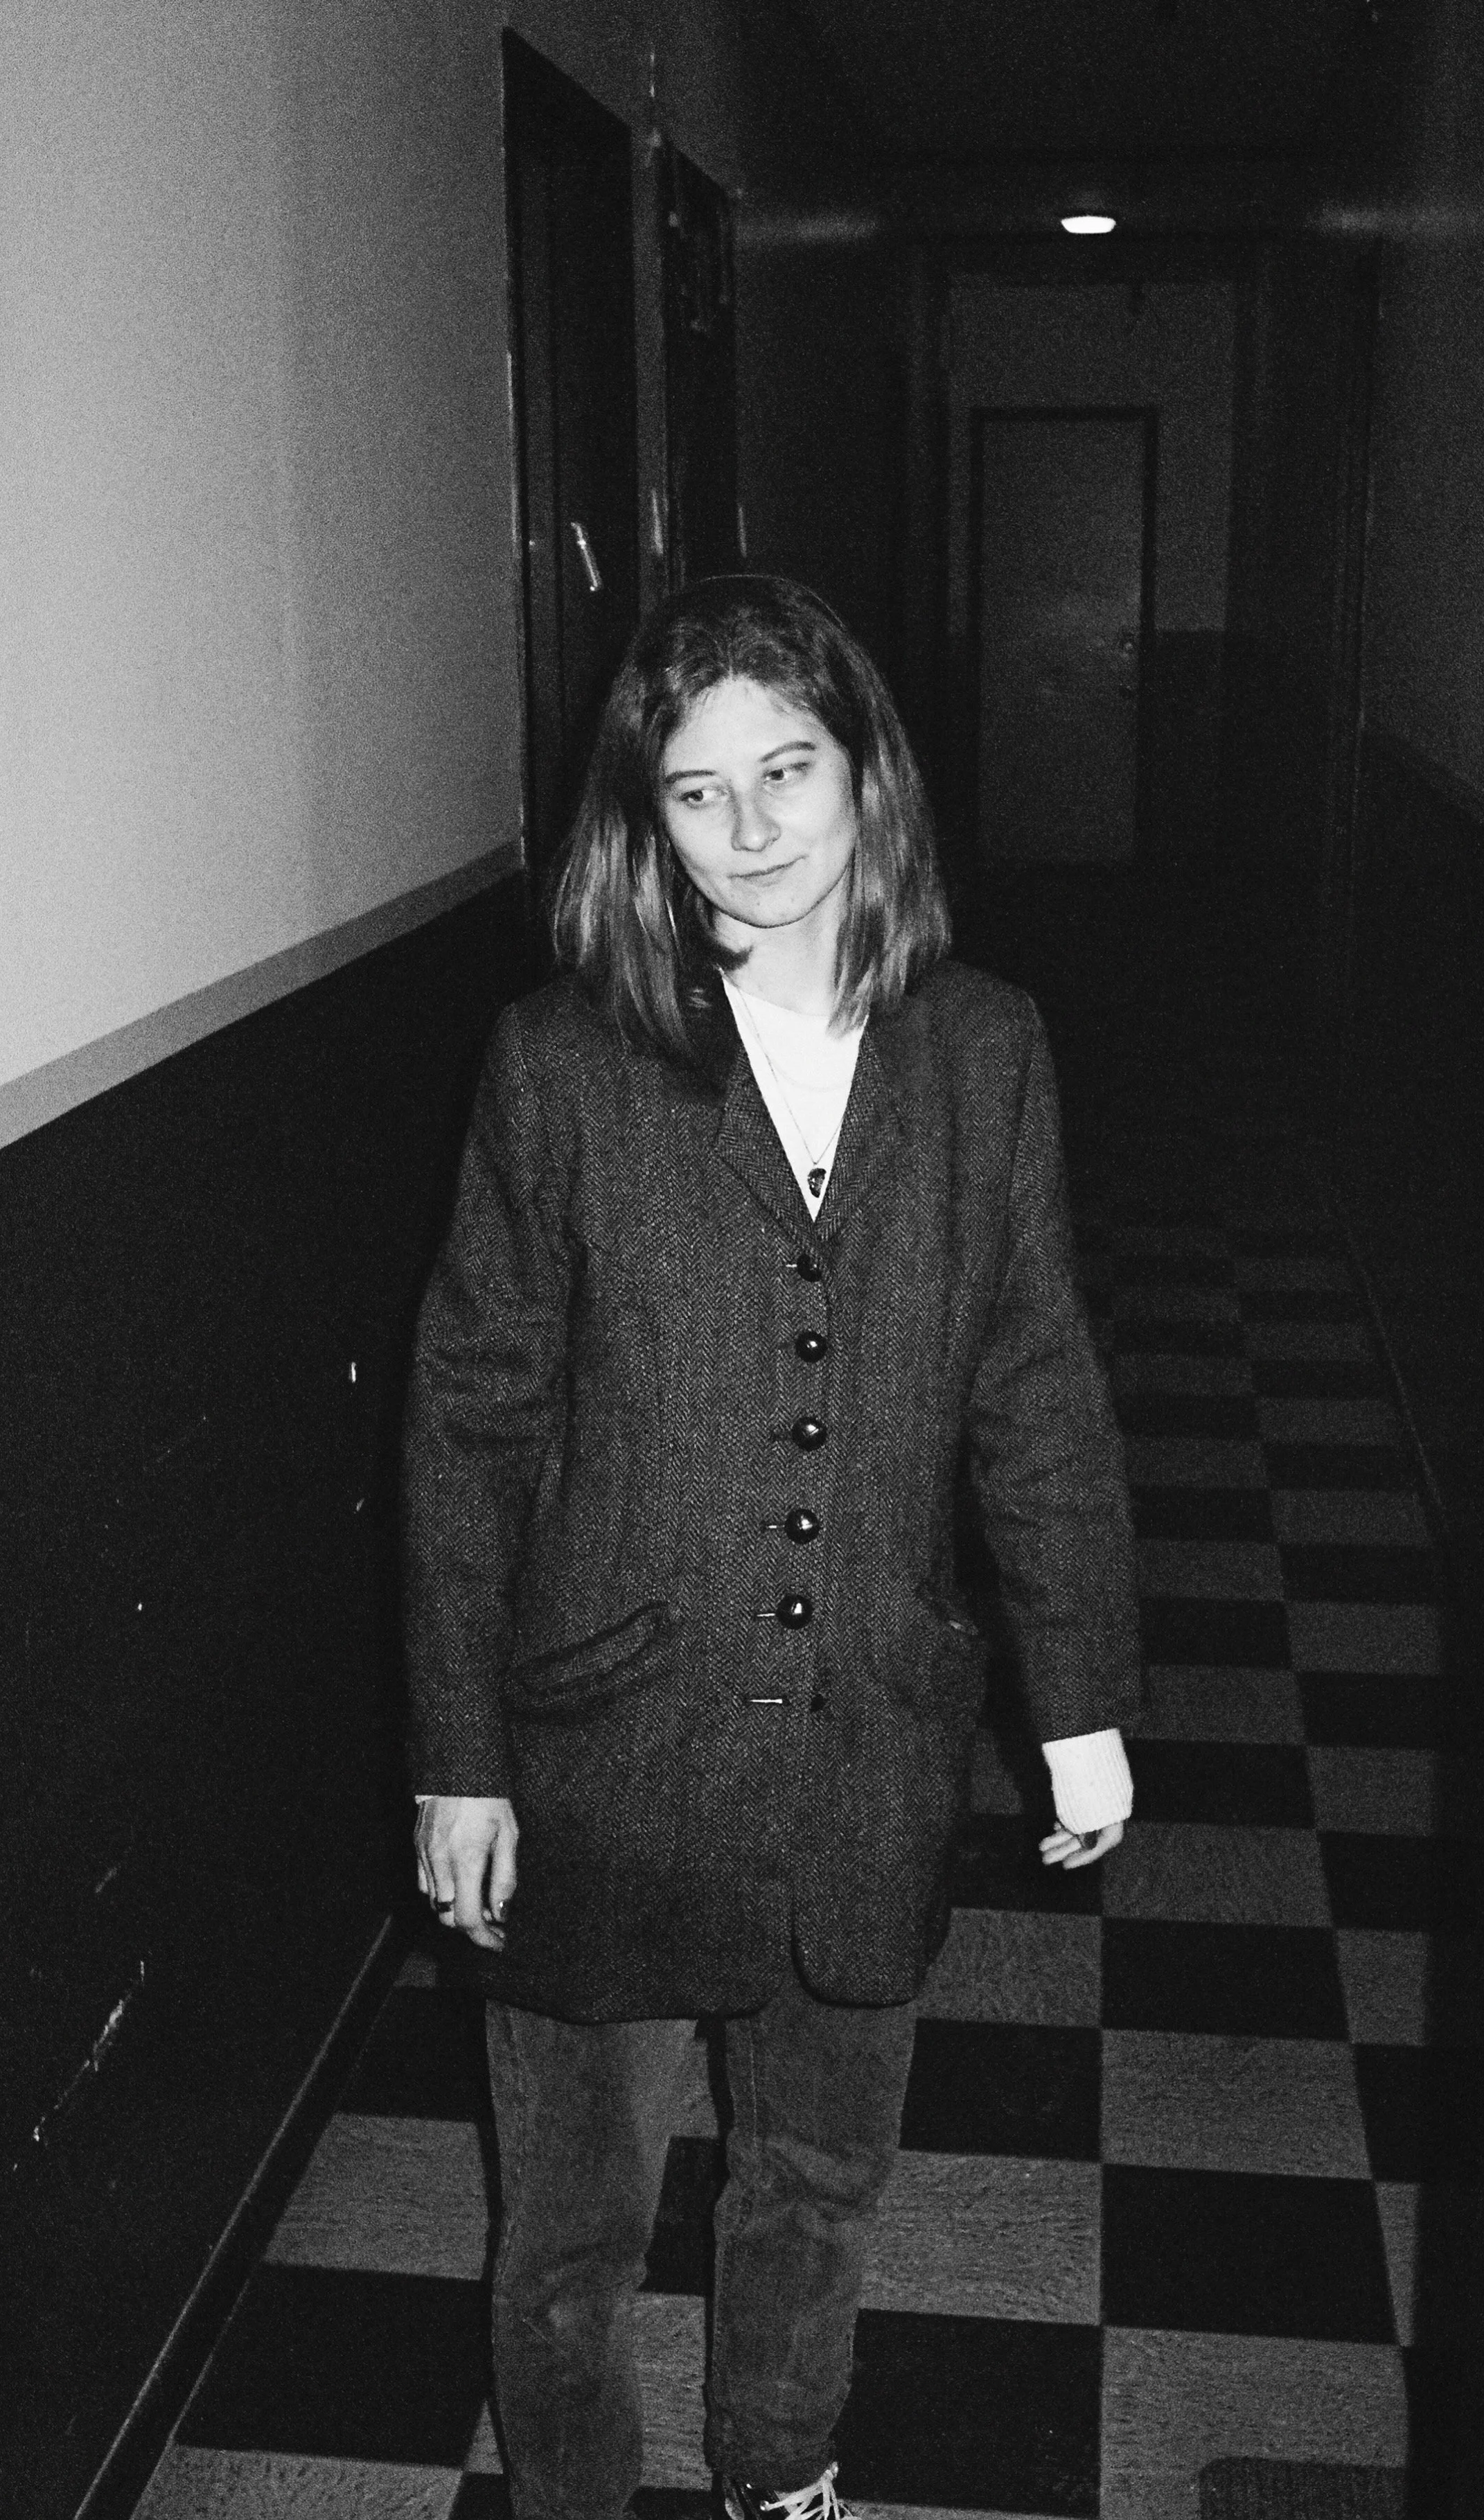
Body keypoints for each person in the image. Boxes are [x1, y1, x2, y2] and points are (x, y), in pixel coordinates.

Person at [405, 574, 1140, 2520]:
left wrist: (1078, 1704)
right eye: (698, 788)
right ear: (645, 820)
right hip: (605, 1757)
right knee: (573, 2228)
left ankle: (779, 2471)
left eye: (788, 769)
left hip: (868, 1747)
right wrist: (459, 1752)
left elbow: (1034, 1382)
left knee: (816, 2182)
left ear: (864, 773)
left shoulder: (984, 1050)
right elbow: (470, 1424)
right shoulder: (564, 1063)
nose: (751, 827)